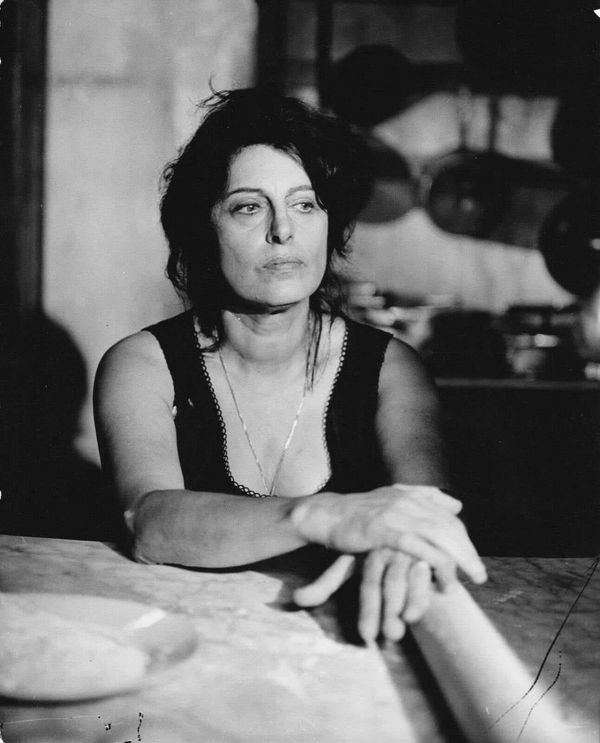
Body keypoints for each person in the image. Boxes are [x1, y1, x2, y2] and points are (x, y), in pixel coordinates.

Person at [94, 88, 486, 645]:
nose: (283, 230)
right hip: (188, 642)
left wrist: (406, 551)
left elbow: (429, 517)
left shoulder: (392, 370)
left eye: (306, 204)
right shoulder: (142, 364)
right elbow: (150, 524)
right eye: (249, 206)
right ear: (203, 229)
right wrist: (321, 515)